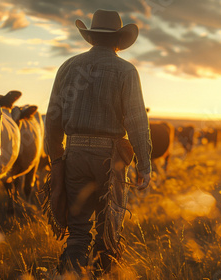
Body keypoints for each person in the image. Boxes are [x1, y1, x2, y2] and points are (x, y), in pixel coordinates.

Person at [44, 9, 152, 276]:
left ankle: (70, 273)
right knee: (108, 227)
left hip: (75, 154)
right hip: (110, 157)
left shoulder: (68, 66)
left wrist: (56, 159)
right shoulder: (126, 70)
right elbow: (137, 120)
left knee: (78, 229)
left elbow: (53, 118)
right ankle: (101, 273)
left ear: (91, 38)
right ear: (118, 40)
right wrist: (144, 164)